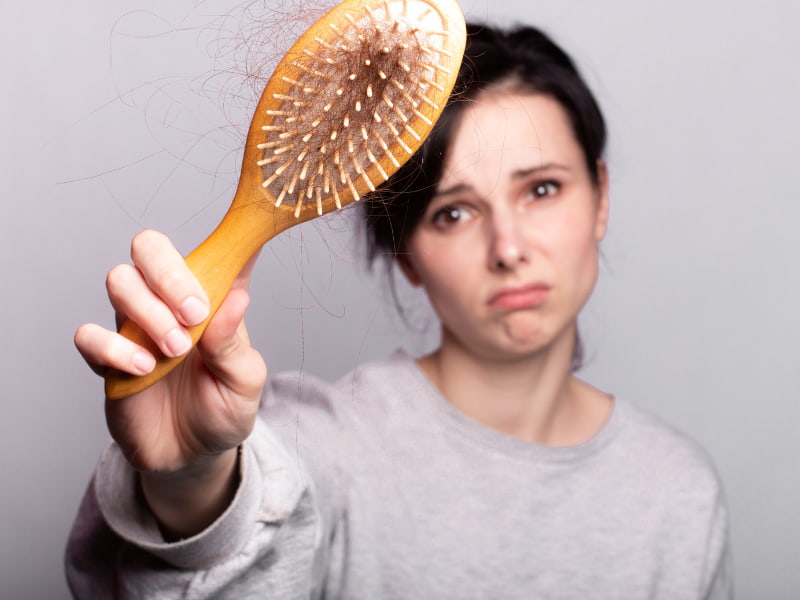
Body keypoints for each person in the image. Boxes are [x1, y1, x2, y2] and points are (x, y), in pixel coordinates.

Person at [67, 23, 733, 599]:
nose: (508, 248)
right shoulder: (323, 447)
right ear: (405, 255)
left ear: (601, 197)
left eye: (543, 189)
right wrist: (192, 485)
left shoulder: (679, 490)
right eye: (453, 212)